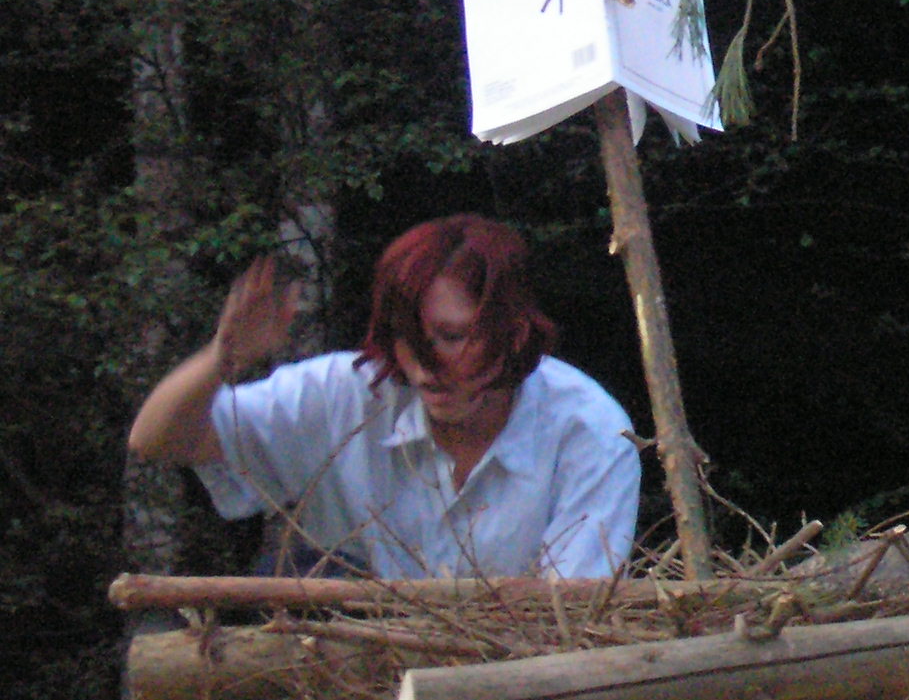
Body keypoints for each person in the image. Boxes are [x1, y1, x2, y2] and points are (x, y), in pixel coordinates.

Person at [129, 215, 640, 579]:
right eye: (409, 339)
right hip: (341, 683)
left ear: (514, 332)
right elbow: (157, 439)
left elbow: (570, 617)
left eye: (452, 337)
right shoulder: (343, 395)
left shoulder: (590, 431)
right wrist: (223, 358)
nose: (425, 367)